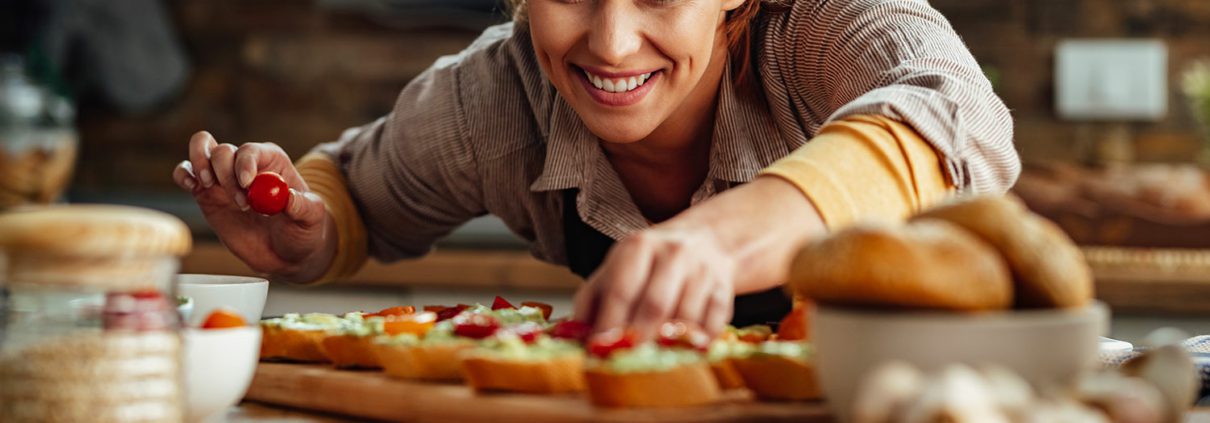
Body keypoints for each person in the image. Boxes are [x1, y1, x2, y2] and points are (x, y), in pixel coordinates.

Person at [172, 0, 1018, 340]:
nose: (611, 43)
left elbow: (965, 121)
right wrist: (302, 235)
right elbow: (355, 194)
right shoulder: (494, 100)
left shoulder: (822, 27)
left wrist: (729, 236)